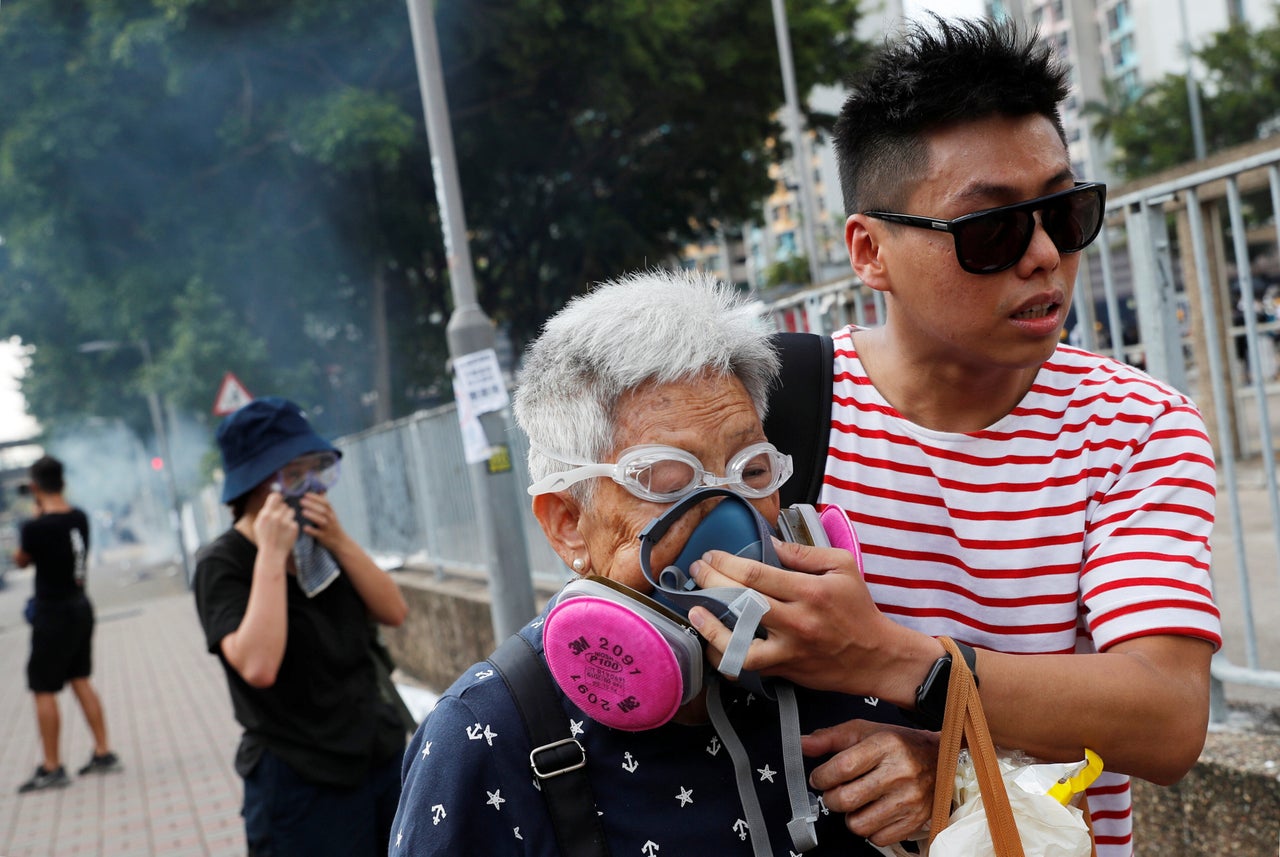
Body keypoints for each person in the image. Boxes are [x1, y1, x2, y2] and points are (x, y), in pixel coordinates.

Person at [685, 18, 1222, 857]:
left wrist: (915, 689)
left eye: (1064, 210)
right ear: (871, 250)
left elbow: (1166, 716)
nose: (1044, 254)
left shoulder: (1133, 426)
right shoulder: (765, 411)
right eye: (993, 230)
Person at [389, 270, 938, 856]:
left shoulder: (841, 654)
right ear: (567, 521)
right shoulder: (486, 736)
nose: (729, 516)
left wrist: (939, 776)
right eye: (667, 481)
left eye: (752, 471)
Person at [195, 396, 409, 856]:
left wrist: (338, 540)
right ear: (254, 486)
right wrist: (271, 554)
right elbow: (257, 666)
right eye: (294, 475)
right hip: (300, 775)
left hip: (376, 752)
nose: (313, 487)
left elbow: (394, 611)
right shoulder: (222, 564)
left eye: (319, 470)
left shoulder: (321, 542)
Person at [14, 454, 121, 793]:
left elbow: (20, 561)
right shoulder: (79, 517)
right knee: (79, 678)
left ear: (34, 487)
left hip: (53, 612)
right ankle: (103, 752)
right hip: (81, 606)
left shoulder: (35, 527)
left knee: (43, 687)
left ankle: (52, 766)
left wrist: (35, 514)